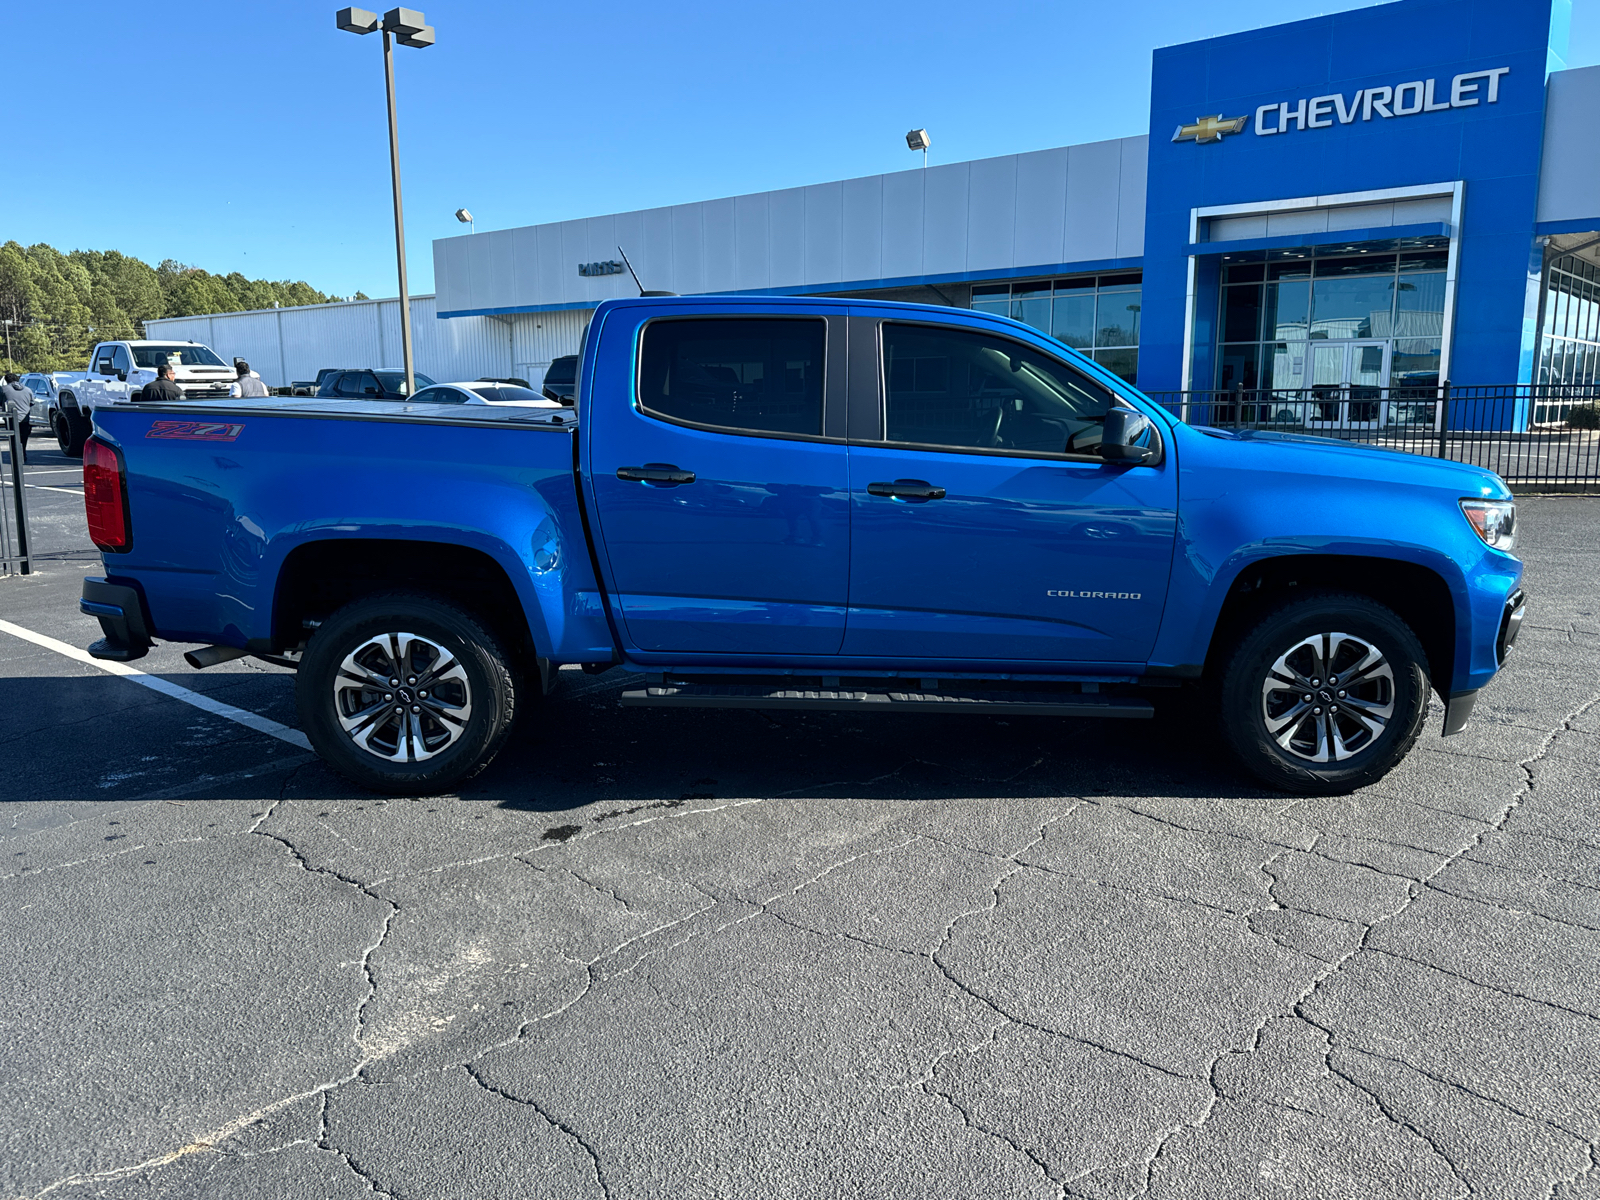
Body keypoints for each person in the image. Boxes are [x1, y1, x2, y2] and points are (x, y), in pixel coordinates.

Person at [1, 373, 32, 462]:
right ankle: (23, 453)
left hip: (11, 418)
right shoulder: (28, 389)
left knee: (13, 437)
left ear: (6, 381)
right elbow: (32, 402)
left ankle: (16, 456)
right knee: (24, 437)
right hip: (25, 418)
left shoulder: (3, 389)